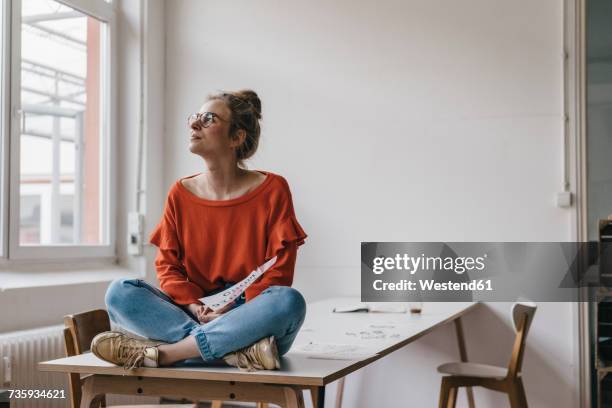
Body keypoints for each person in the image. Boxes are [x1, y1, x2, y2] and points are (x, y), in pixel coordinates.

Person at [90, 90, 307, 371]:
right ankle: (237, 353)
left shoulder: (273, 189)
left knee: (288, 301)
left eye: (208, 119)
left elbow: (278, 272)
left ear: (236, 138)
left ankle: (169, 353)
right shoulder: (180, 193)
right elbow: (168, 267)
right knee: (119, 292)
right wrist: (194, 306)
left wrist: (230, 312)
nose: (194, 125)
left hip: (249, 316)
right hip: (197, 313)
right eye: (194, 117)